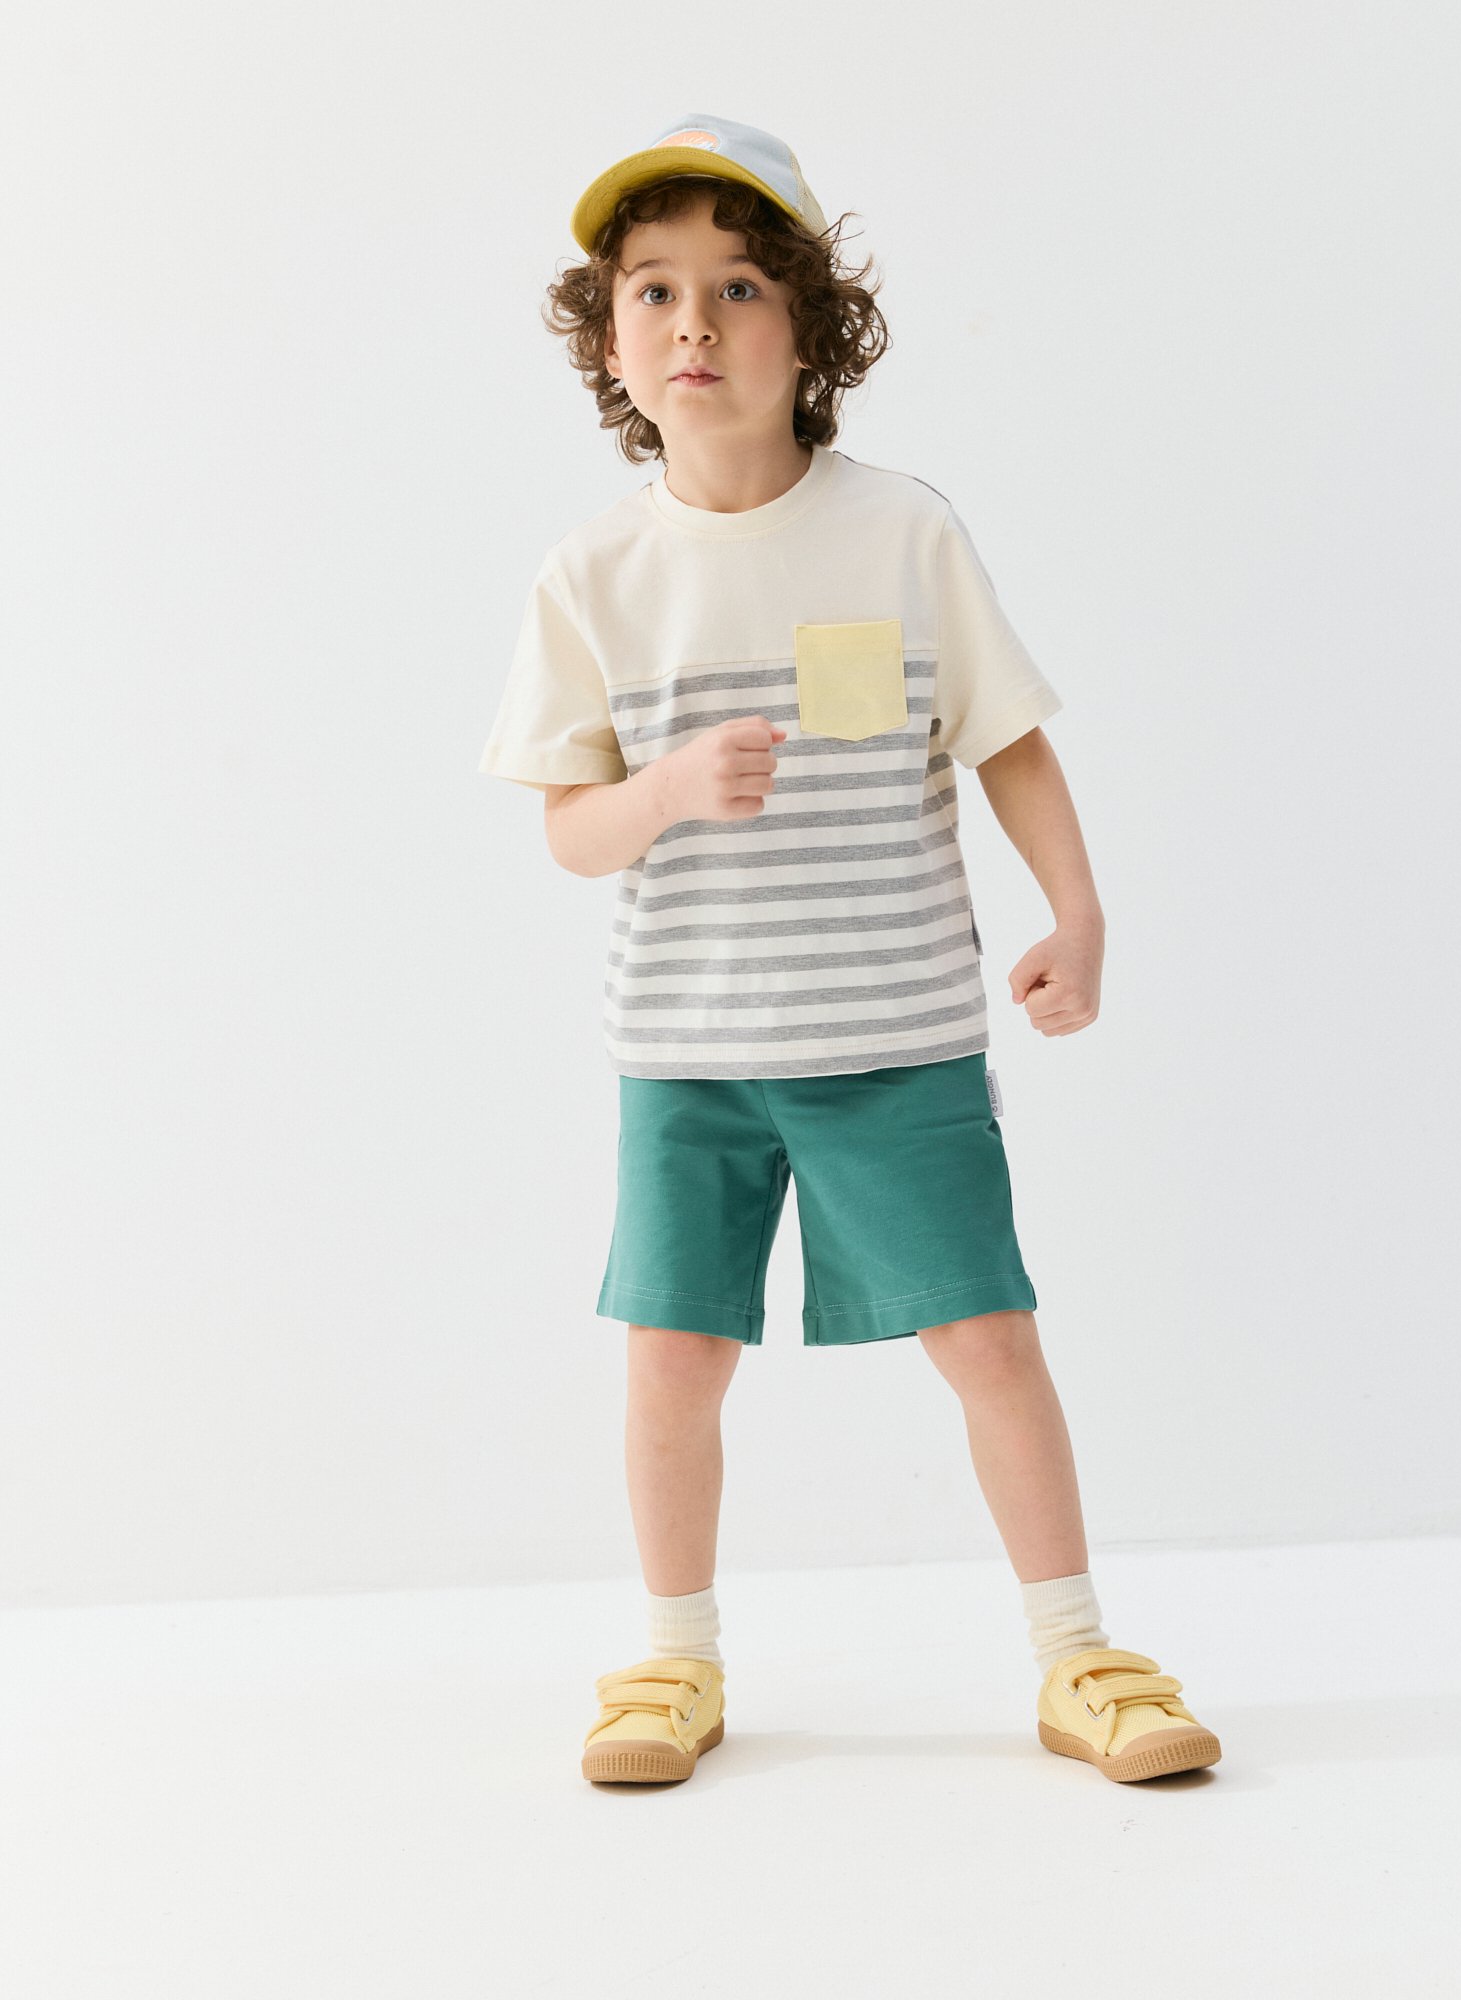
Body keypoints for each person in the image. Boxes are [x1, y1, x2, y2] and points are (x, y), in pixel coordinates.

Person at [477, 114, 1221, 1788]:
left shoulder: (900, 531)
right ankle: (672, 1662)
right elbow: (570, 832)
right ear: (610, 340)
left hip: (897, 1033)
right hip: (687, 1056)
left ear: (813, 329)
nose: (694, 322)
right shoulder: (592, 574)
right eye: (654, 290)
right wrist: (665, 790)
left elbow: (1006, 735)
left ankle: (1079, 1654)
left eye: (740, 287)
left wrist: (1080, 914)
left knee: (991, 1338)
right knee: (673, 1362)